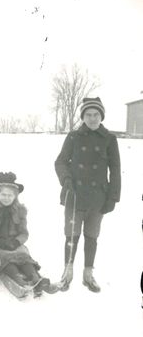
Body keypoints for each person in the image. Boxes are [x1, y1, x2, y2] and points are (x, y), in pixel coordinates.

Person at [55, 97, 121, 292]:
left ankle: (88, 274)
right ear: (83, 117)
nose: (92, 119)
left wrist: (113, 197)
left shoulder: (109, 138)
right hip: (74, 196)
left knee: (92, 236)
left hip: (97, 198)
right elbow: (60, 162)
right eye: (88, 115)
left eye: (96, 115)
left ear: (102, 116)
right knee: (71, 235)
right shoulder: (74, 137)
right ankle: (67, 273)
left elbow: (116, 170)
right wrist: (66, 179)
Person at [0, 172, 58, 296]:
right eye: (3, 195)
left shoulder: (20, 211)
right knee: (7, 259)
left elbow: (24, 233)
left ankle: (36, 278)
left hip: (14, 243)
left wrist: (16, 241)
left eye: (9, 195)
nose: (6, 198)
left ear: (15, 196)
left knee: (23, 256)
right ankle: (19, 281)